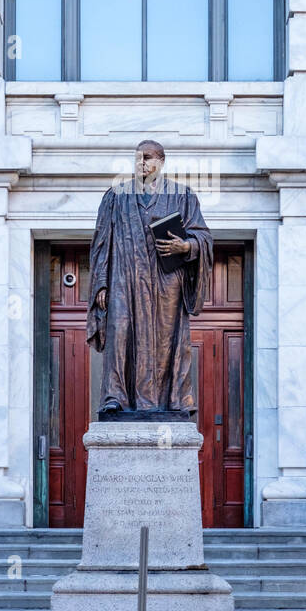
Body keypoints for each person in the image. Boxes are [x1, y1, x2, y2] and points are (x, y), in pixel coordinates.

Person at [87, 139, 212, 414]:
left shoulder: (183, 196)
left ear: (161, 162)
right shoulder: (116, 196)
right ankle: (115, 397)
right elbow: (101, 242)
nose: (141, 163)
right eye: (137, 158)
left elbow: (203, 236)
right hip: (124, 278)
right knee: (119, 332)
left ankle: (173, 401)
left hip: (166, 283)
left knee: (167, 339)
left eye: (148, 157)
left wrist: (187, 246)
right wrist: (101, 284)